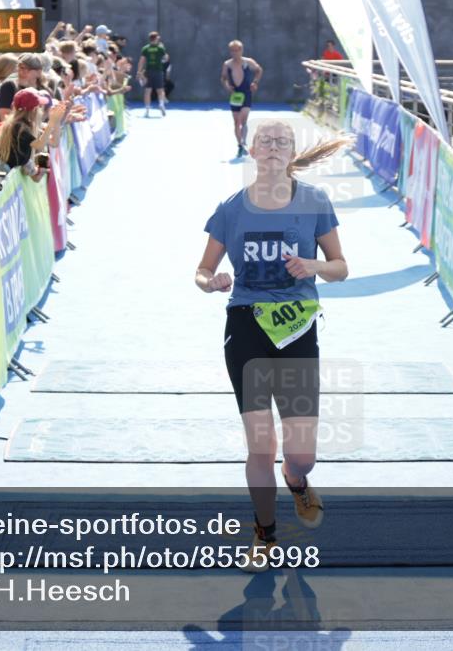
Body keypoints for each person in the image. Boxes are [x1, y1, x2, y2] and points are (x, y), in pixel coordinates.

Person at [195, 120, 349, 570]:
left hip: (298, 329)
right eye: (267, 141)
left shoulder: (315, 202)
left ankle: (296, 481)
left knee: (302, 454)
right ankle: (265, 533)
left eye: (283, 141)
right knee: (260, 445)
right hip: (246, 327)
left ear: (292, 152)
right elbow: (201, 270)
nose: (275, 147)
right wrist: (213, 281)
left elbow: (341, 266)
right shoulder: (231, 208)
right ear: (253, 150)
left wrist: (313, 266)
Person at [0, 87, 70, 177]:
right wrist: (51, 122)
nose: (42, 110)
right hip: (0, 175)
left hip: (7, 175)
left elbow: (54, 142)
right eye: (40, 107)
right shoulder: (19, 127)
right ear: (34, 110)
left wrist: (56, 121)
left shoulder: (26, 124)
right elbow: (39, 145)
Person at [220, 40, 263, 158]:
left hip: (246, 93)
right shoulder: (227, 64)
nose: (235, 53)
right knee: (236, 122)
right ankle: (240, 145)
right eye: (232, 50)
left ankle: (243, 141)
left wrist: (255, 82)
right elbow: (223, 78)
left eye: (237, 50)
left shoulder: (248, 62)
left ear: (241, 50)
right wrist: (227, 85)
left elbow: (259, 70)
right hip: (235, 94)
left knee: (243, 120)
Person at [0, 53, 44, 122]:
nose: (23, 71)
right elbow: (5, 117)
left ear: (39, 72)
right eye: (21, 67)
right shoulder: (9, 87)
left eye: (28, 69)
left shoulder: (44, 90)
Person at [137, 31, 168, 117]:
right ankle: (161, 104)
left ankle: (147, 110)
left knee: (148, 90)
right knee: (160, 90)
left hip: (148, 71)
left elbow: (142, 61)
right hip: (158, 71)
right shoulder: (160, 48)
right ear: (156, 38)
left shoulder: (145, 48)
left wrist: (139, 72)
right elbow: (166, 58)